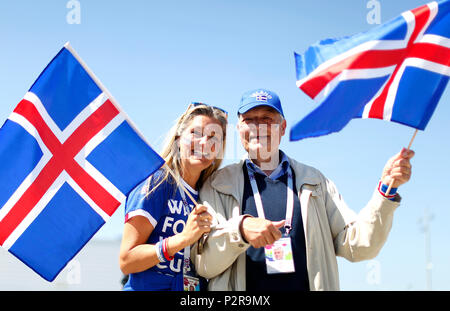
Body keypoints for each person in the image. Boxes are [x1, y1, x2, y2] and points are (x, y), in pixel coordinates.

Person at [192, 89, 414, 291]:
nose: (257, 127)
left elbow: (359, 246)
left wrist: (386, 190)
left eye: (267, 120)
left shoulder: (316, 182)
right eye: (249, 120)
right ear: (239, 128)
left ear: (283, 127)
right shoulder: (217, 185)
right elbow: (204, 264)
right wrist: (239, 230)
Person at [119, 102, 228, 291]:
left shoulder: (211, 194)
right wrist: (182, 239)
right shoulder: (157, 182)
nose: (204, 143)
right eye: (196, 133)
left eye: (213, 138)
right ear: (179, 138)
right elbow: (127, 260)